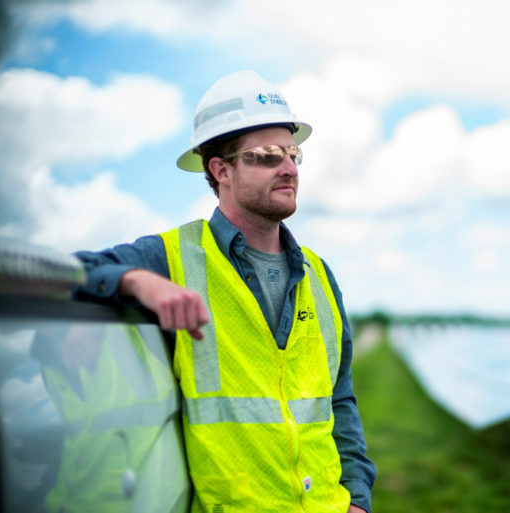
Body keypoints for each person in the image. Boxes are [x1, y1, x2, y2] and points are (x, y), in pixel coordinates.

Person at [74, 70, 376, 513]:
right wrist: (136, 280)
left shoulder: (318, 273)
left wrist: (359, 499)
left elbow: (340, 399)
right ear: (221, 170)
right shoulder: (169, 259)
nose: (289, 167)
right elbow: (72, 272)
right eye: (267, 155)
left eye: (292, 153)